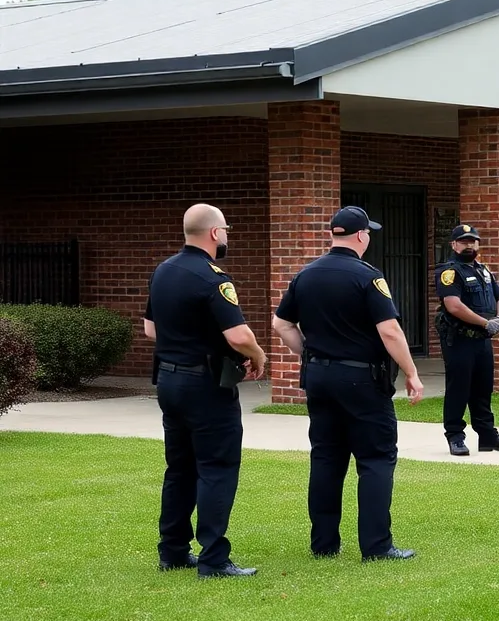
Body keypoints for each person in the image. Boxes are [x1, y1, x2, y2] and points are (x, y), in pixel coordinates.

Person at [272, 206, 425, 563]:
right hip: (361, 379)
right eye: (368, 232)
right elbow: (389, 330)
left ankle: (324, 543)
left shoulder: (305, 274)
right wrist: (411, 372)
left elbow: (281, 324)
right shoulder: (368, 277)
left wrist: (310, 354)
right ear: (360, 236)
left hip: (319, 377)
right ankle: (377, 545)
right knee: (376, 458)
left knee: (326, 456)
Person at [143, 203, 267, 579]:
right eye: (226, 230)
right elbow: (238, 335)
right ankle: (214, 559)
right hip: (205, 385)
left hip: (169, 381)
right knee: (217, 468)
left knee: (180, 468)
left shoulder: (163, 271)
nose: (227, 236)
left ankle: (173, 551)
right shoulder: (214, 278)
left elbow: (150, 330)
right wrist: (259, 355)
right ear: (214, 233)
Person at [434, 224, 499, 457]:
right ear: (454, 245)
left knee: (483, 389)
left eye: (472, 241)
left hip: (482, 340)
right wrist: (485, 323)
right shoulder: (449, 272)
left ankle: (487, 435)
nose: (469, 245)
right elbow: (453, 305)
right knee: (458, 389)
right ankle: (455, 437)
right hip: (459, 339)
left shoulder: (484, 271)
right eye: (464, 241)